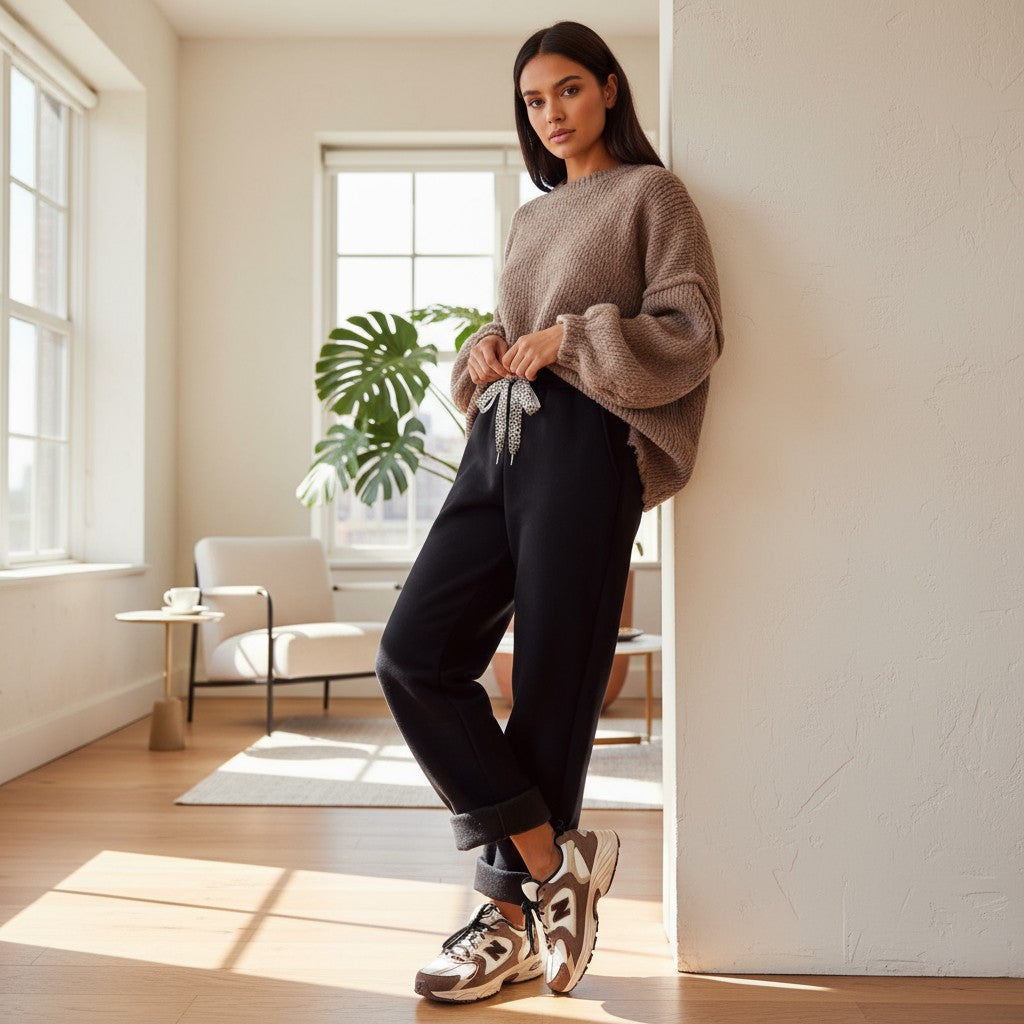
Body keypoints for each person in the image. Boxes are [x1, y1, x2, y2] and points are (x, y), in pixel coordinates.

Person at [374, 19, 725, 1004]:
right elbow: (512, 328)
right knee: (413, 652)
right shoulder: (532, 219)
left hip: (585, 444)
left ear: (610, 90)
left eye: (568, 89)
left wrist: (568, 339)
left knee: (552, 687)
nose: (552, 113)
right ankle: (552, 866)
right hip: (502, 438)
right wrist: (480, 355)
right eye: (534, 100)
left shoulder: (653, 196)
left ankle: (507, 922)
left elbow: (690, 330)